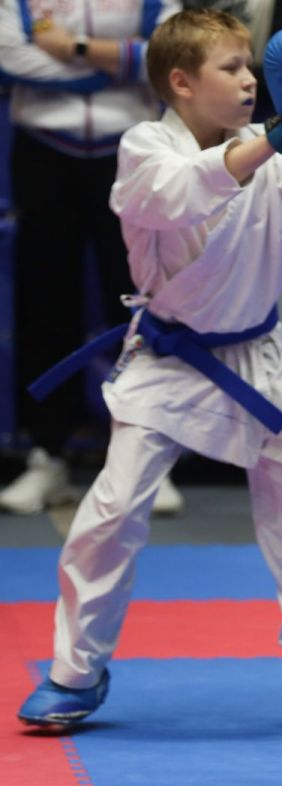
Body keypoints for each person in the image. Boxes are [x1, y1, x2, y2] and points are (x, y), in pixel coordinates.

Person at [15, 10, 282, 734]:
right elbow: (178, 195)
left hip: (259, 357)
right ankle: (75, 671)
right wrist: (277, 139)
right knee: (110, 514)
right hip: (168, 357)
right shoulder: (143, 147)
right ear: (182, 82)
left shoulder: (275, 154)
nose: (250, 80)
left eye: (250, 67)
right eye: (232, 68)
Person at [0, 0, 186, 516]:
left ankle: (148, 457)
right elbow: (9, 54)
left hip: (131, 149)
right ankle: (48, 456)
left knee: (138, 306)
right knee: (44, 304)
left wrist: (74, 48)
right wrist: (104, 70)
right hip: (44, 146)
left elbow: (170, 54)